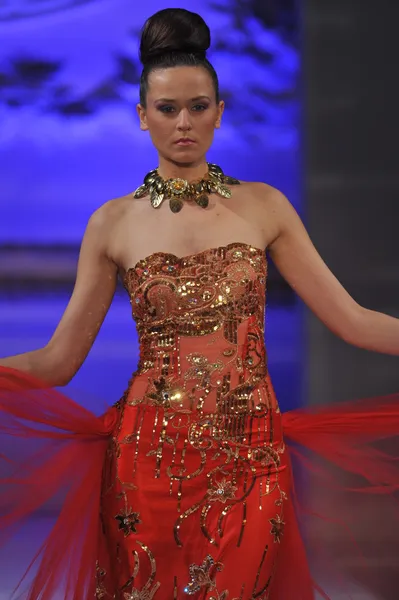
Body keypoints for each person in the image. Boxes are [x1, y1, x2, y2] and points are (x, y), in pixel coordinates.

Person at [0, 8, 399, 600]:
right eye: (167, 109)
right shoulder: (112, 223)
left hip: (252, 455)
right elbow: (59, 362)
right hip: (144, 460)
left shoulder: (265, 207)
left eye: (199, 106)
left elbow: (353, 320)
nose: (184, 122)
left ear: (219, 111)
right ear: (142, 116)